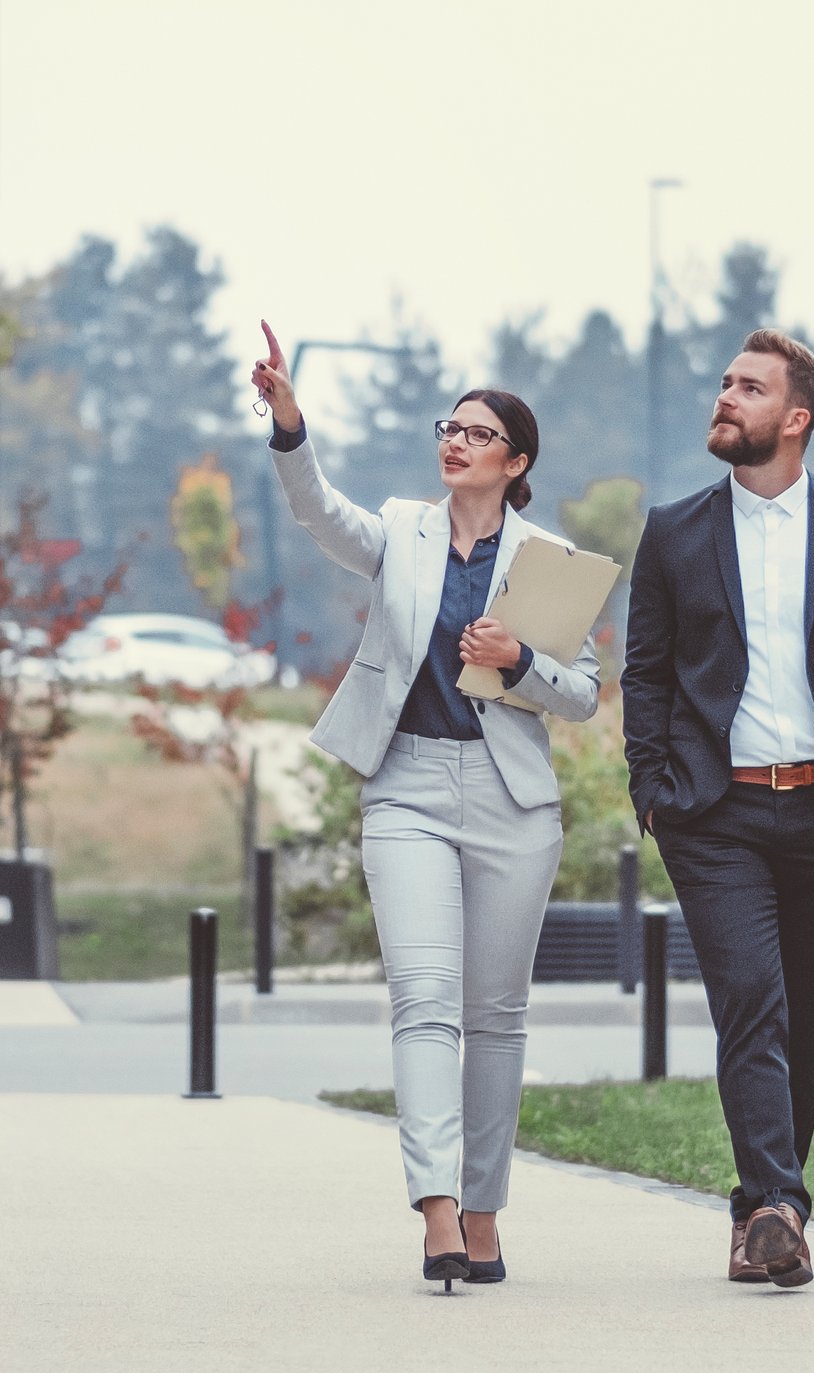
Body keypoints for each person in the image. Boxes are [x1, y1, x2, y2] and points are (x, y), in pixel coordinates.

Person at [249, 322, 604, 1292]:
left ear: (516, 461)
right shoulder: (401, 530)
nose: (455, 441)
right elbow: (320, 514)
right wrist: (291, 427)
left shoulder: (551, 562)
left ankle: (484, 1217)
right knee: (422, 1002)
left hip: (509, 800)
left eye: (478, 434)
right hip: (404, 783)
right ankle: (437, 1212)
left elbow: (582, 694)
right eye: (450, 427)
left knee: (494, 1018)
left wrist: (518, 662)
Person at [621, 329, 814, 1290]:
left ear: (795, 419)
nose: (725, 397)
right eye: (724, 383)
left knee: (804, 1008)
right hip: (715, 815)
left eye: (748, 387)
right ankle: (784, 1207)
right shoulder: (674, 530)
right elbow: (647, 673)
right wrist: (656, 793)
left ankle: (759, 1215)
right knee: (751, 998)